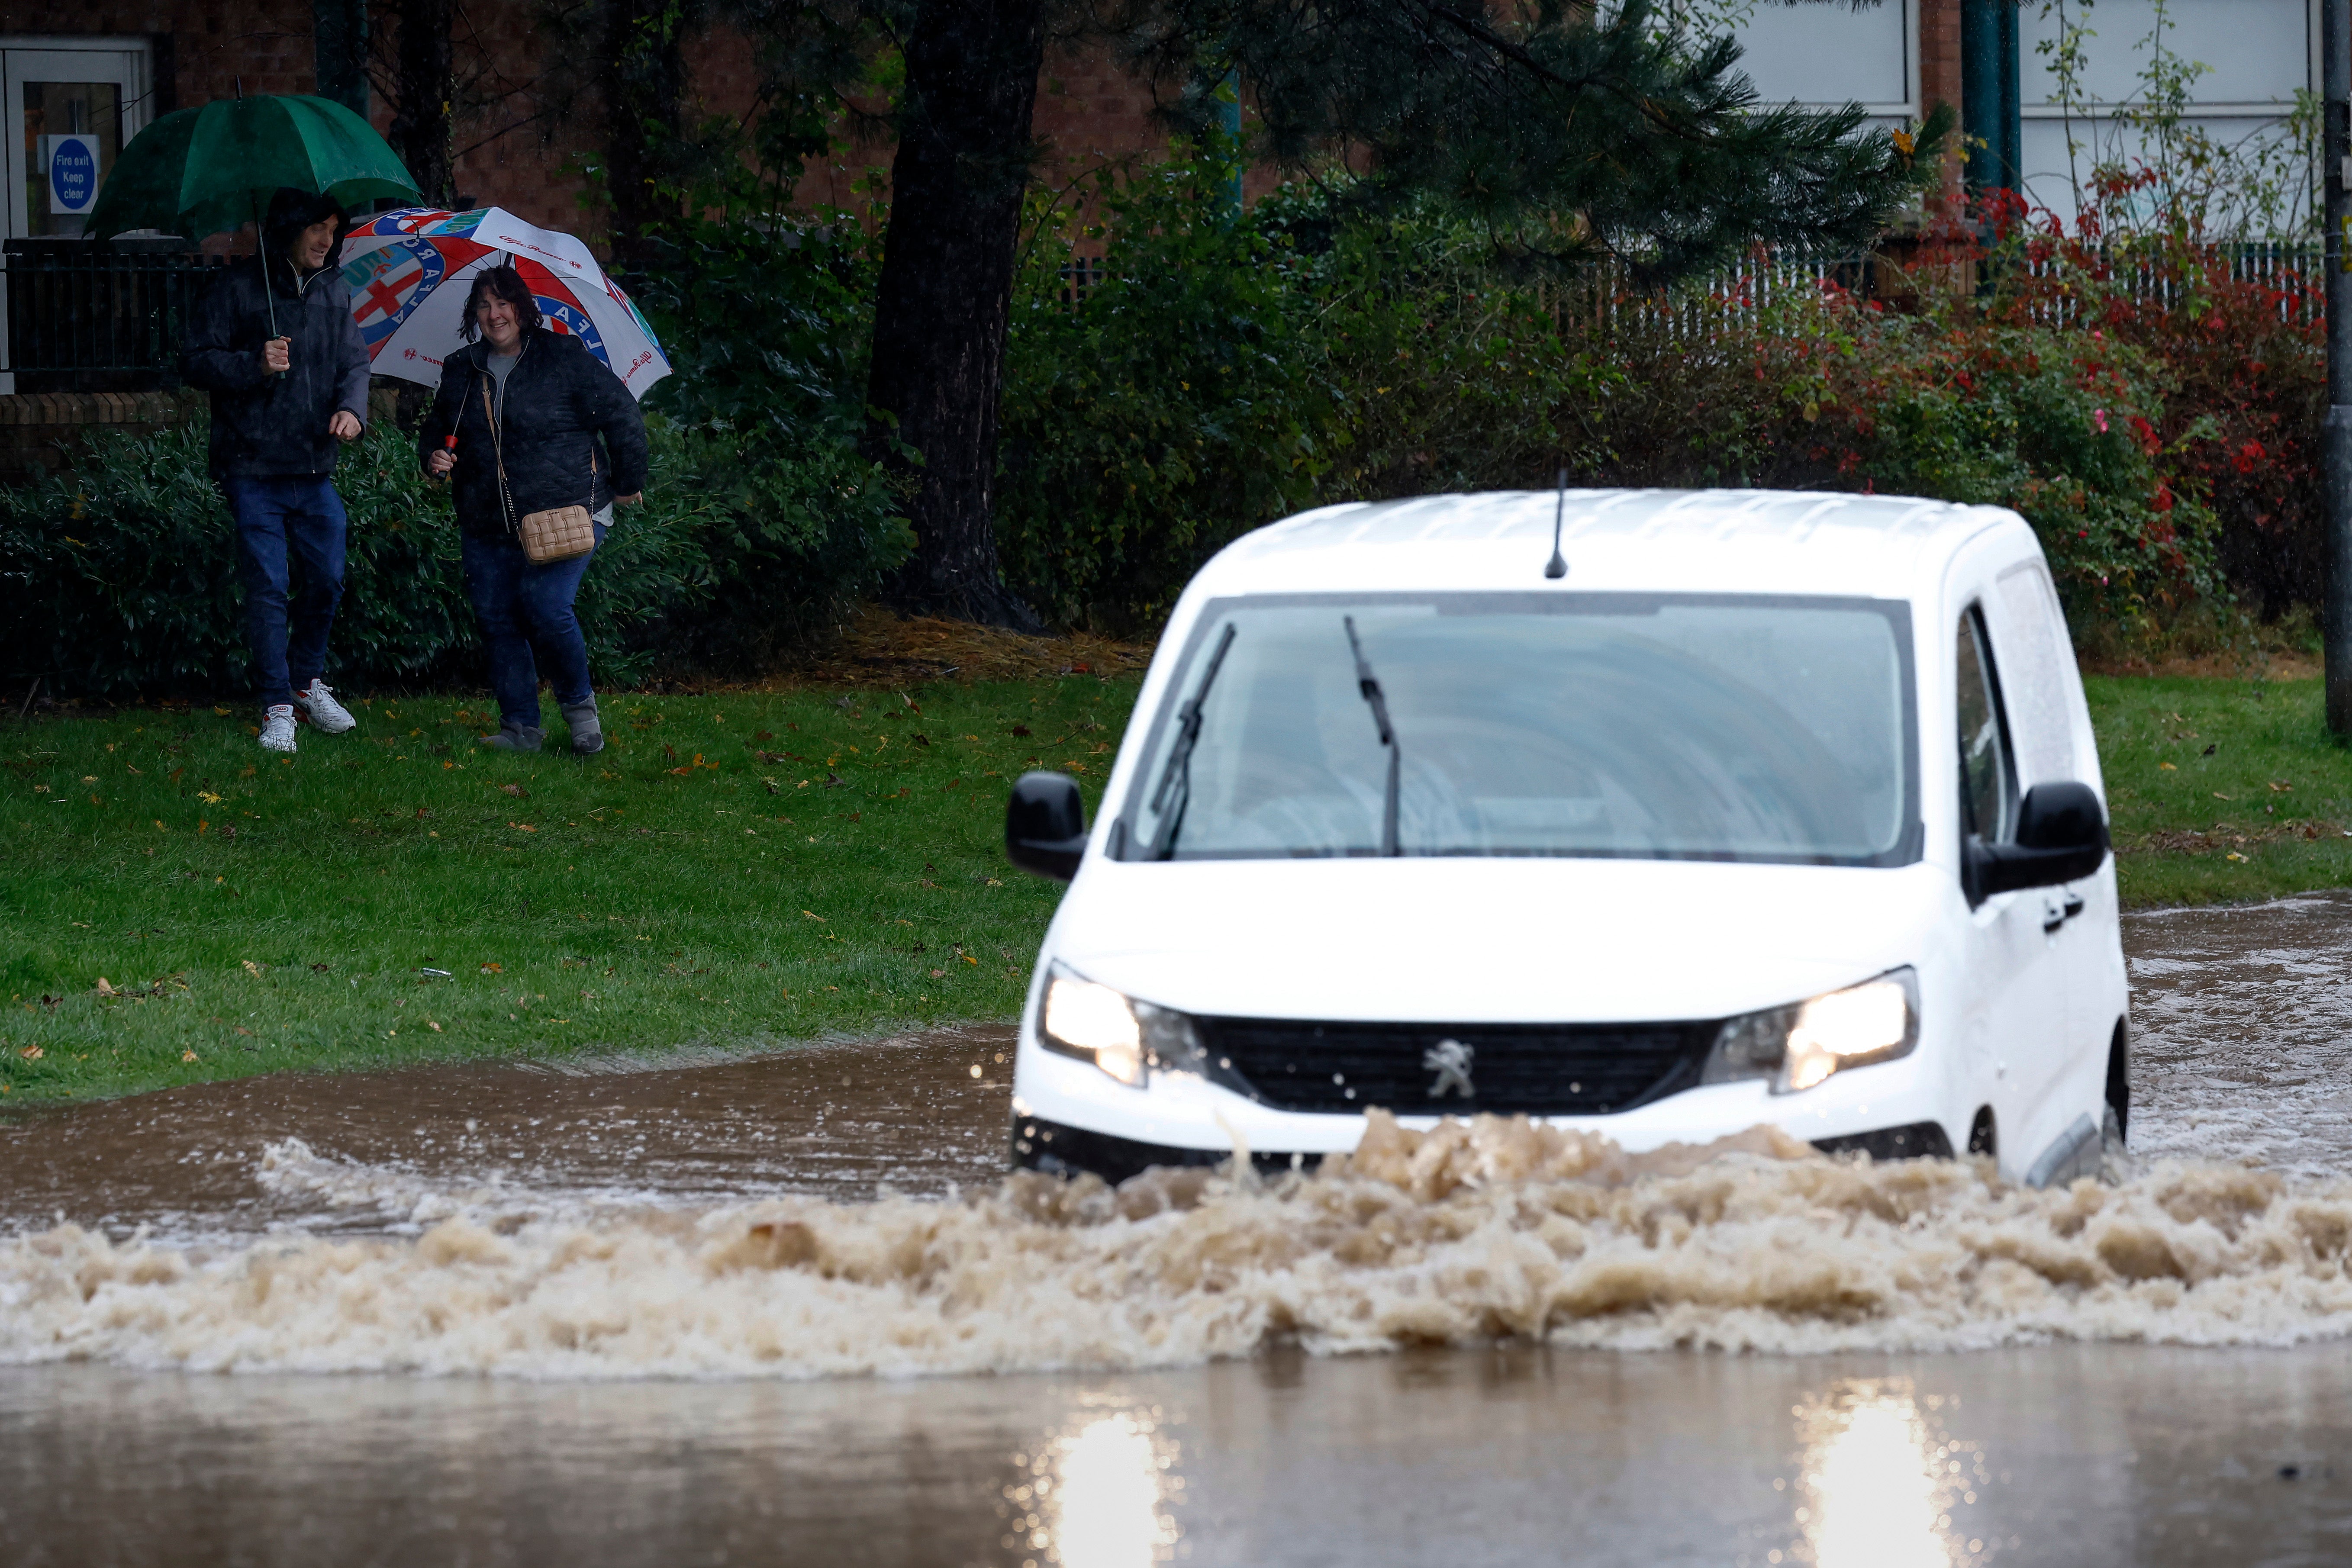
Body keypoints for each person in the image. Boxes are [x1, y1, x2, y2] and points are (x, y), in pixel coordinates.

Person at [418, 265, 647, 755]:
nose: (494, 314)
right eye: (483, 304)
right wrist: (435, 457)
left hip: (567, 511)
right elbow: (436, 431)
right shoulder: (463, 367)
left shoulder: (562, 356)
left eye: (503, 303)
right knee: (497, 616)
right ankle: (520, 727)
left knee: (546, 607)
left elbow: (622, 413)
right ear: (473, 313)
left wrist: (627, 483)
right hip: (487, 519)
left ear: (522, 308)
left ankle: (581, 715)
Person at [183, 187, 371, 753]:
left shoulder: (334, 291)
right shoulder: (237, 288)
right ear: (290, 229)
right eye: (318, 229)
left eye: (333, 231)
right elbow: (195, 359)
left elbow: (355, 362)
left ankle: (306, 681)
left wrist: (351, 409)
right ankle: (277, 706)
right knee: (269, 585)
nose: (327, 240)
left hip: (314, 468)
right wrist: (253, 363)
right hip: (251, 465)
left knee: (328, 577)